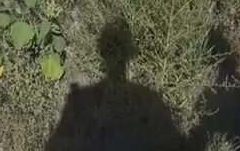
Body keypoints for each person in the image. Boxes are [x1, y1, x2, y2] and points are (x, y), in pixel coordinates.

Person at [45, 19, 184, 151]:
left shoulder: (82, 100)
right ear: (130, 53)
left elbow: (56, 144)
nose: (116, 57)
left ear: (101, 53)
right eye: (113, 51)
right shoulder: (149, 100)